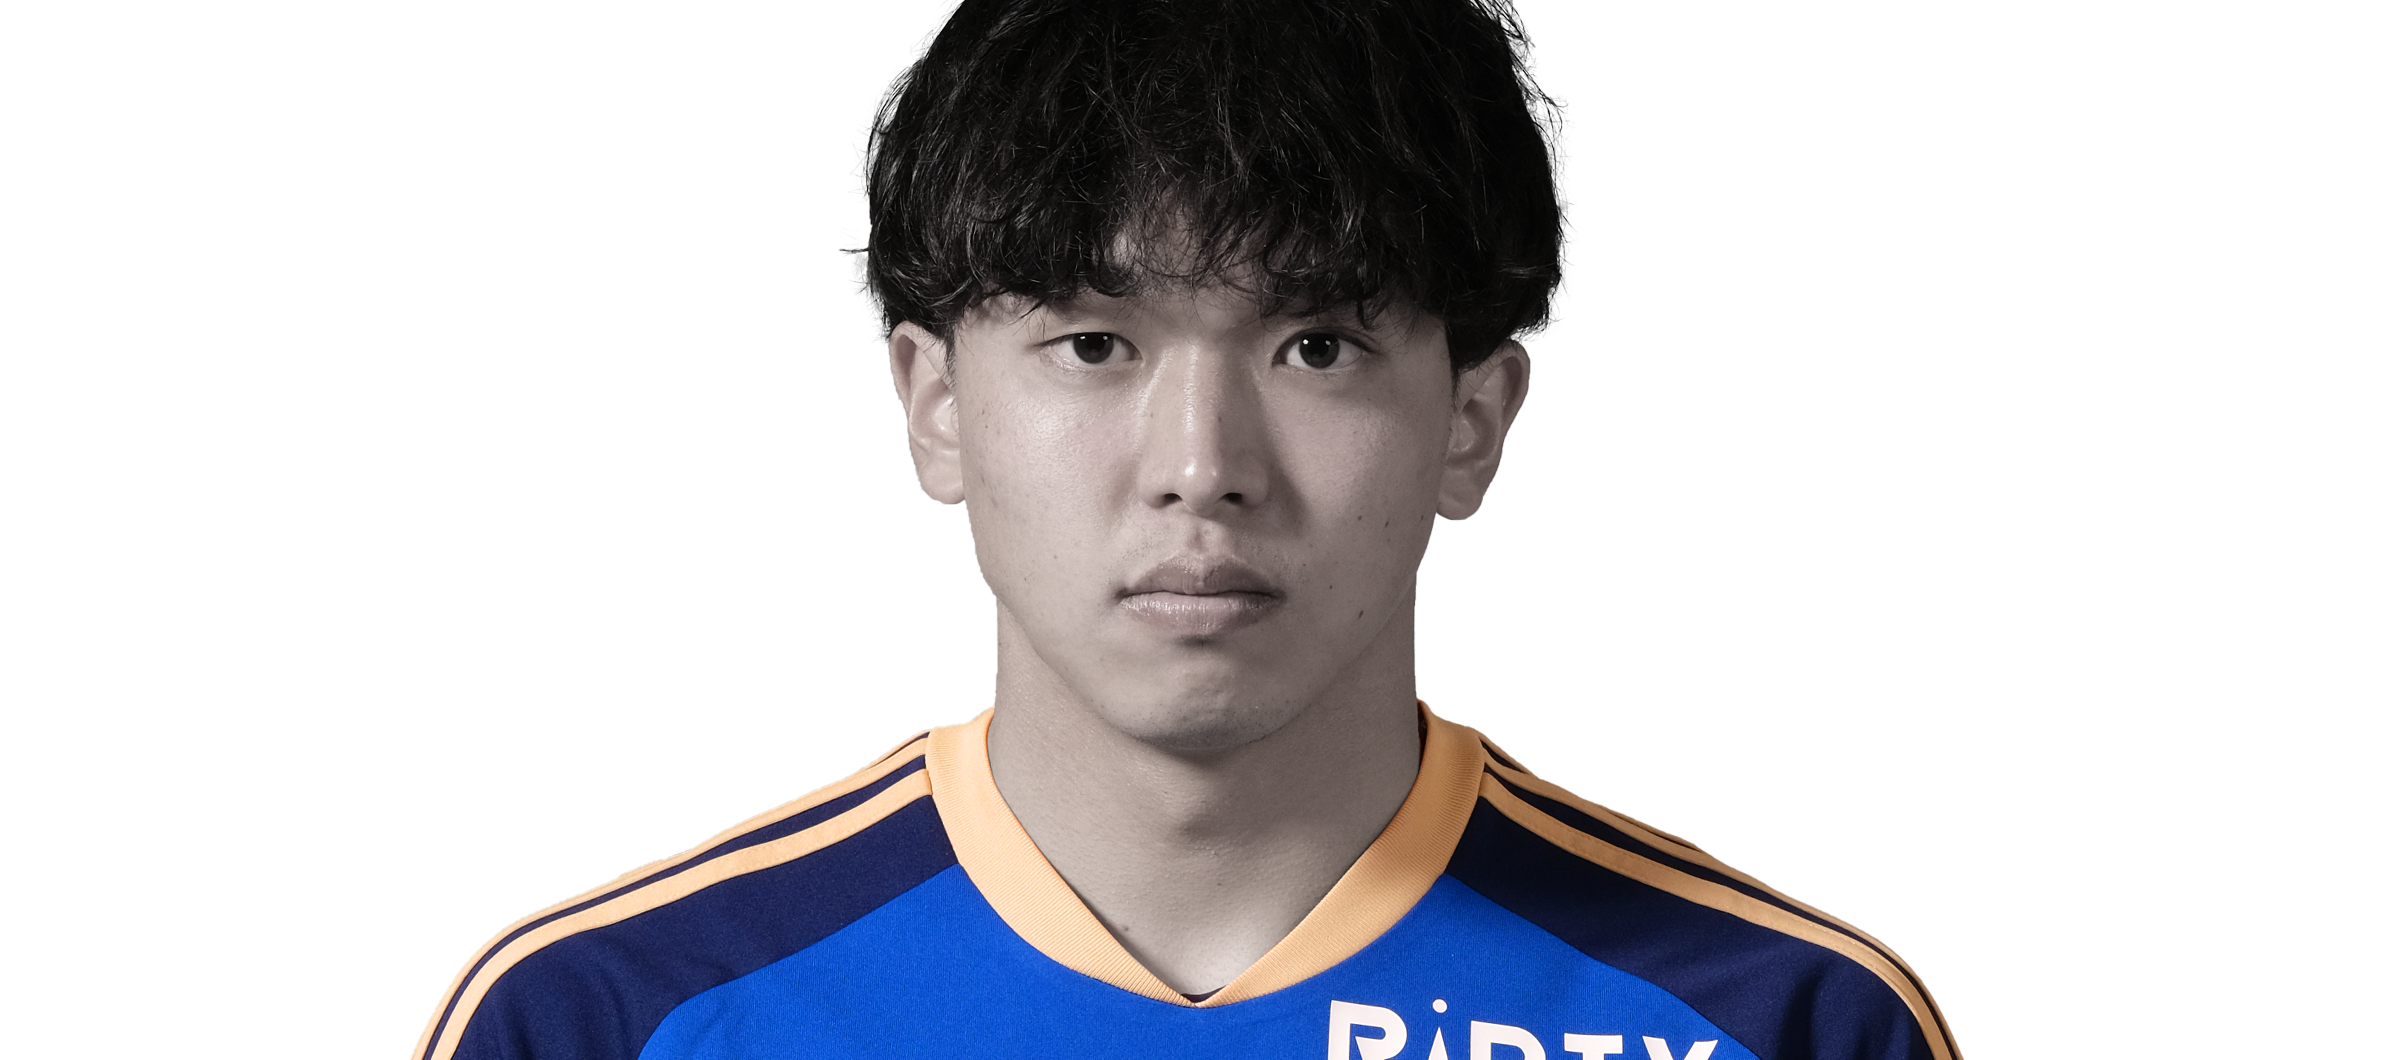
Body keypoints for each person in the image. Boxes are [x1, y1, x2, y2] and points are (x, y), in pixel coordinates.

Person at [415, 0, 1959, 1057]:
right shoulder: (605, 1021)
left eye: (1317, 347)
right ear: (937, 405)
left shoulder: (1783, 1024)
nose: (1203, 467)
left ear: (1472, 420)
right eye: (1095, 344)